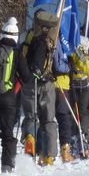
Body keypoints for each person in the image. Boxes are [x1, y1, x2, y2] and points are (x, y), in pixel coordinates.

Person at [0, 17, 31, 173]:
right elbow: (25, 77)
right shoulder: (17, 53)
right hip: (9, 97)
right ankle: (7, 165)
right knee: (8, 131)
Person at [23, 9, 59, 166]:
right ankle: (49, 155)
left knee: (31, 115)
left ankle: (30, 137)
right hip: (47, 84)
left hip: (31, 83)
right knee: (48, 120)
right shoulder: (52, 39)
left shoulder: (30, 37)